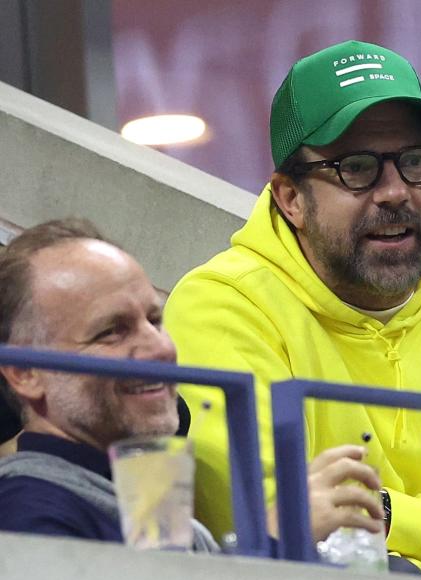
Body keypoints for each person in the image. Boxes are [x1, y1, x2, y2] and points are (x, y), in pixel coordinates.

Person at [164, 41, 421, 578]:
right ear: (291, 198)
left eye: (414, 162)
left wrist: (388, 517)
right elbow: (275, 538)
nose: (394, 193)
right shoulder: (222, 309)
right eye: (357, 167)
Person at [0, 219, 383, 553]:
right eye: (111, 332)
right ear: (25, 372)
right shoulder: (27, 511)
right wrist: (273, 541)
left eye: (155, 320)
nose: (159, 348)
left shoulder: (144, 492)